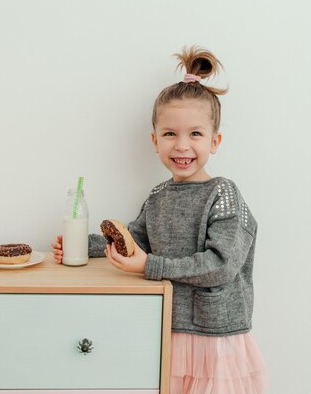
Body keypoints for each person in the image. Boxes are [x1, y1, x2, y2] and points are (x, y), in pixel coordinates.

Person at [52, 46, 268, 394]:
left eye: (195, 134)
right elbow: (133, 240)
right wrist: (82, 246)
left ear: (215, 141)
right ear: (155, 141)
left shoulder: (224, 195)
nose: (182, 146)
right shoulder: (157, 196)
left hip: (213, 338)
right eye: (170, 134)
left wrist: (148, 266)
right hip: (167, 327)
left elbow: (221, 265)